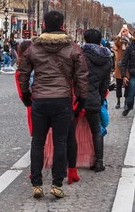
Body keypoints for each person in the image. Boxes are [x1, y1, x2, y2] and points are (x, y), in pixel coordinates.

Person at [17, 11, 89, 199]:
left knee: (38, 141)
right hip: (62, 99)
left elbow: (23, 72)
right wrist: (81, 99)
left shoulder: (33, 48)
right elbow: (82, 76)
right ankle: (57, 184)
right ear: (63, 26)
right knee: (60, 142)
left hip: (40, 99)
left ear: (43, 24)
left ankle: (37, 184)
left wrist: (26, 95)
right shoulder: (73, 48)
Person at [81, 29, 113, 172]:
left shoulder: (80, 55)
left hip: (78, 98)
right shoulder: (107, 58)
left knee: (68, 131)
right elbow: (105, 83)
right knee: (96, 130)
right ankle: (99, 162)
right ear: (100, 41)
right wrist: (99, 99)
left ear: (85, 40)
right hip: (94, 98)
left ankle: (69, 162)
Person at [112, 33, 128, 109]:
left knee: (127, 86)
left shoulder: (130, 46)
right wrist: (120, 33)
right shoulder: (118, 46)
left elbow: (132, 40)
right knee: (118, 85)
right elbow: (116, 41)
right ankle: (118, 101)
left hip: (127, 68)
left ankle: (126, 101)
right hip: (119, 68)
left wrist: (129, 34)